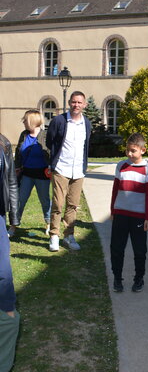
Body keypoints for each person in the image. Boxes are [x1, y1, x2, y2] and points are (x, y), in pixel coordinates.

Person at [46, 91, 91, 252]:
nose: (76, 105)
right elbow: (49, 141)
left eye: (79, 102)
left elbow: (86, 146)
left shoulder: (86, 123)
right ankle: (54, 235)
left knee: (72, 205)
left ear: (84, 105)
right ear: (69, 103)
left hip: (78, 170)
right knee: (58, 203)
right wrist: (53, 162)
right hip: (61, 168)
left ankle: (68, 236)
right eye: (73, 102)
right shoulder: (59, 121)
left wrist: (84, 167)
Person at [110, 133, 148, 293]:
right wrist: (113, 210)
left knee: (139, 250)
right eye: (128, 150)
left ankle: (139, 278)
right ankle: (117, 278)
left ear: (143, 150)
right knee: (117, 248)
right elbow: (115, 189)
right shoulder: (121, 166)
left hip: (139, 217)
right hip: (120, 214)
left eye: (133, 151)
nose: (129, 154)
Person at [9, 110, 51, 237]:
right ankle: (13, 226)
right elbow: (18, 152)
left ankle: (49, 224)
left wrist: (51, 167)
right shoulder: (24, 135)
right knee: (20, 200)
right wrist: (17, 167)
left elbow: (51, 152)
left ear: (32, 121)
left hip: (42, 175)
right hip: (26, 174)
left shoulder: (45, 135)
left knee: (44, 201)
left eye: (25, 120)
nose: (23, 122)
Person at [0, 133, 20, 372]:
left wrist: (13, 216)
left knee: (3, 273)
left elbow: (11, 182)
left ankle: (7, 314)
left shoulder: (3, 144)